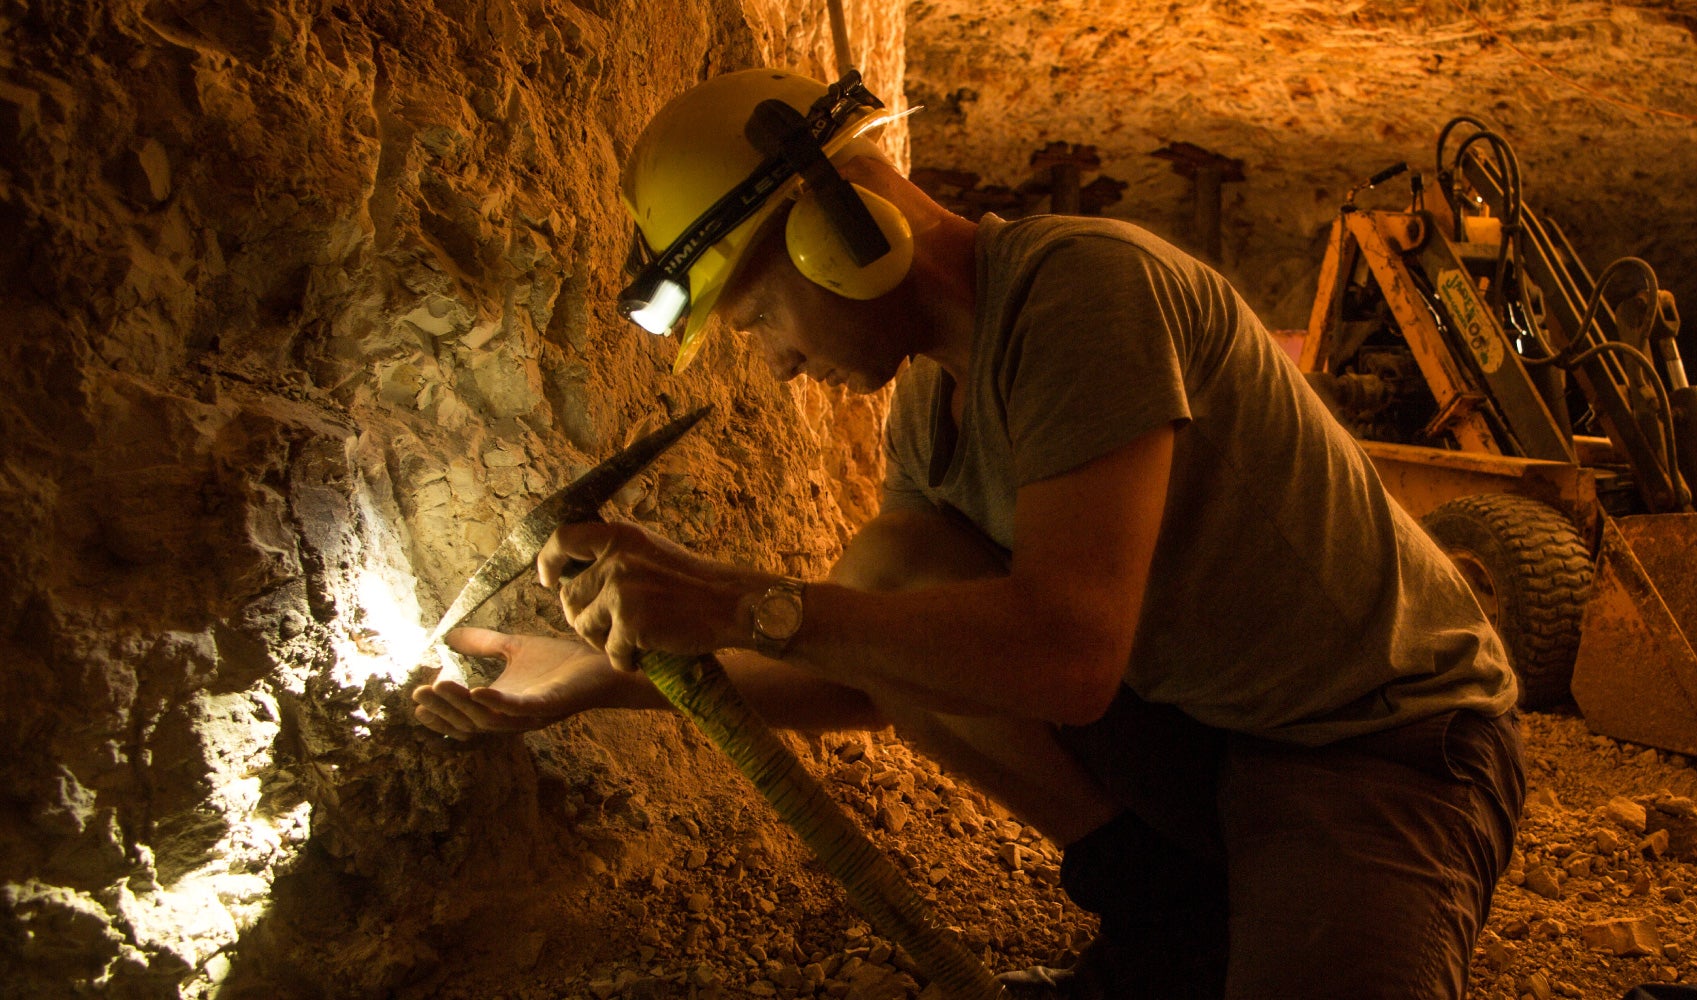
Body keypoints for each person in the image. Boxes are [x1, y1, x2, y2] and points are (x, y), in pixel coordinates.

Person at [409, 67, 1525, 1000]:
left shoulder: (1088, 288)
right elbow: (882, 669)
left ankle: (1233, 907)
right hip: (1208, 736)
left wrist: (737, 598)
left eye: (754, 321)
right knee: (889, 573)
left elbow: (1069, 656)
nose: (779, 364)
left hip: (1375, 750)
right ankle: (1163, 904)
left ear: (831, 236)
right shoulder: (926, 408)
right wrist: (614, 676)